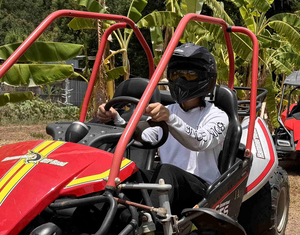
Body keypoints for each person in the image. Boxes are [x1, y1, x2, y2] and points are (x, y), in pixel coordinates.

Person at [96, 43, 228, 211]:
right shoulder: (170, 110)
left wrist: (170, 119)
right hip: (167, 185)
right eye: (176, 74)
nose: (180, 81)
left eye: (189, 75)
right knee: (128, 173)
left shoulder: (217, 116)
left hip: (202, 188)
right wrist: (116, 119)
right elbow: (146, 136)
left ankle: (150, 225)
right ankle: (99, 223)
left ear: (205, 78)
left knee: (165, 171)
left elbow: (200, 141)